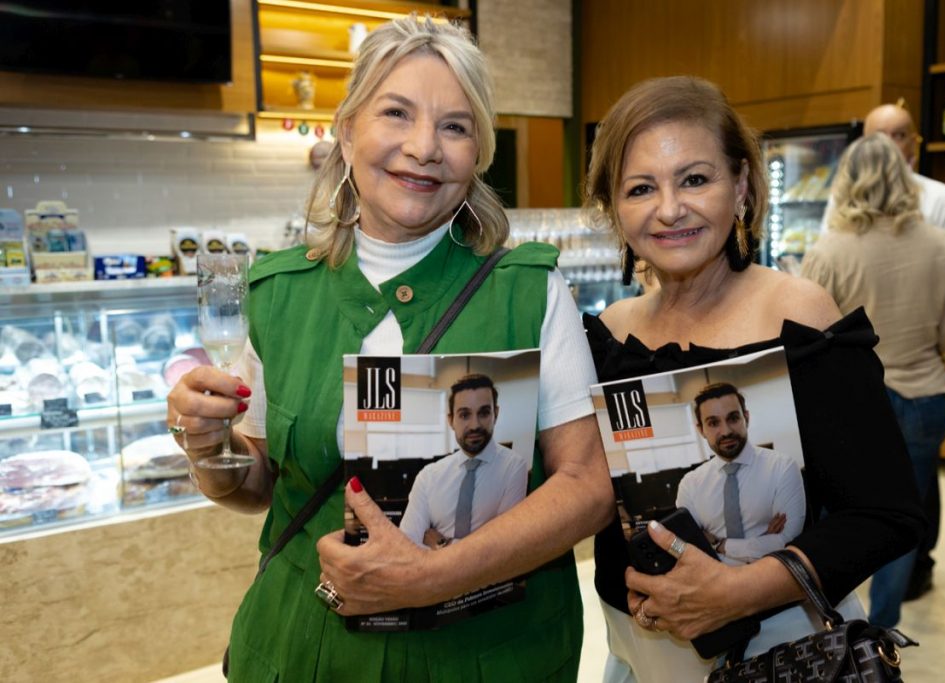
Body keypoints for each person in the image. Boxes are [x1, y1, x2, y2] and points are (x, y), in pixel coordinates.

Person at [165, 16, 613, 682]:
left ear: (479, 152)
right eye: (396, 113)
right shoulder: (278, 295)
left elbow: (587, 486)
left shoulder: (529, 291)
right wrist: (208, 448)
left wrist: (432, 575)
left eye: (455, 126)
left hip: (485, 656)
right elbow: (256, 484)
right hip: (307, 651)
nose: (424, 147)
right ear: (347, 132)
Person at [582, 75, 925, 681]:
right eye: (640, 188)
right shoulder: (610, 335)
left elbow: (885, 513)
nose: (670, 209)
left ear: (740, 185)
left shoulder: (799, 317)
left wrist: (734, 593)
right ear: (615, 208)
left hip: (784, 655)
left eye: (695, 179)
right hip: (638, 657)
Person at [801, 132, 945, 629]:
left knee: (833, 516)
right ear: (905, 179)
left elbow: (808, 338)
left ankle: (829, 625)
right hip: (926, 394)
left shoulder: (829, 252)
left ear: (846, 182)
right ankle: (882, 630)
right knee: (905, 519)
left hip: (853, 402)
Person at [676, 383, 805, 566]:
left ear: (746, 418)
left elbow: (788, 542)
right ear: (701, 430)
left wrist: (718, 544)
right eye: (713, 423)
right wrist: (762, 543)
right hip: (715, 582)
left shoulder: (782, 468)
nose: (726, 431)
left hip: (773, 579)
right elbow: (687, 550)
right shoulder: (689, 485)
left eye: (733, 418)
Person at [399, 373, 528, 548]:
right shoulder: (428, 477)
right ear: (451, 420)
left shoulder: (514, 467)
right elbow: (407, 545)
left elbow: (505, 546)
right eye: (464, 415)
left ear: (495, 414)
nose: (475, 425)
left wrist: (442, 544)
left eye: (484, 413)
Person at [822, 103, 945, 244]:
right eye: (879, 136)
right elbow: (827, 246)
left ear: (913, 143)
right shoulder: (844, 194)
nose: (888, 145)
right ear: (864, 143)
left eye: (899, 136)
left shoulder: (941, 197)